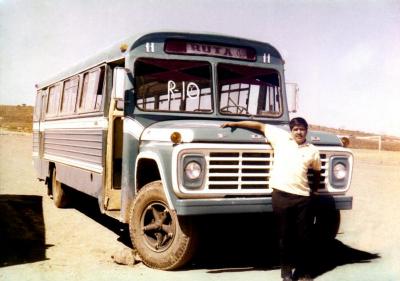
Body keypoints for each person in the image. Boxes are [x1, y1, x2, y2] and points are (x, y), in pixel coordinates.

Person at [221, 117, 321, 281]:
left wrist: (315, 192)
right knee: (285, 236)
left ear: (306, 131)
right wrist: (234, 124)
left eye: (302, 129)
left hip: (302, 198)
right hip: (281, 195)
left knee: (303, 237)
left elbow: (317, 171)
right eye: (296, 129)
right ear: (291, 130)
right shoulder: (280, 138)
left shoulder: (312, 150)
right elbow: (259, 125)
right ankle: (286, 273)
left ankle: (303, 272)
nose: (299, 132)